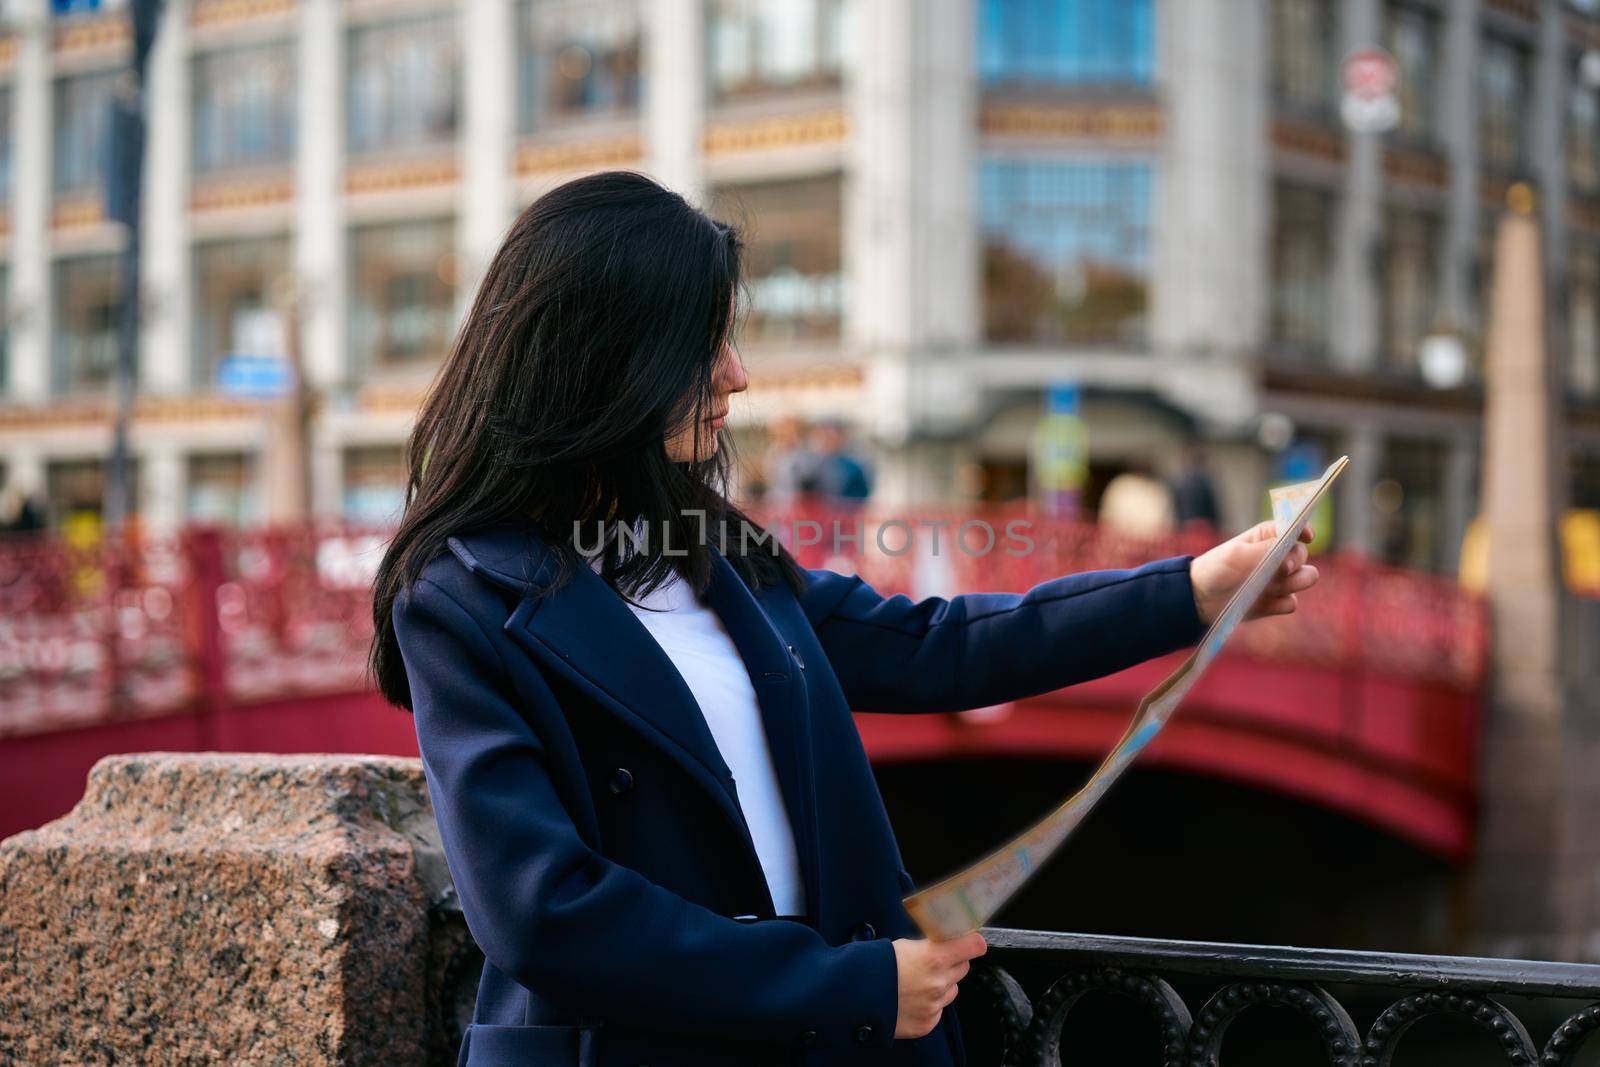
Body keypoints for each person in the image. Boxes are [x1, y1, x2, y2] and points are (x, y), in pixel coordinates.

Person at [369, 171, 1320, 1067]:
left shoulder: (707, 546)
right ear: (609, 358)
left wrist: (1191, 590)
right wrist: (843, 983)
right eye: (704, 343)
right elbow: (542, 910)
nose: (736, 375)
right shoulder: (461, 601)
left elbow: (938, 646)